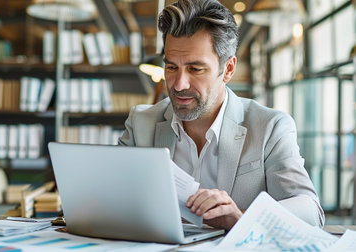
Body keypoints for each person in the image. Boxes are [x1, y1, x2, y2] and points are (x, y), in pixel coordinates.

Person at [118, 0, 324, 230]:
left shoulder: (270, 127)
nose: (178, 84)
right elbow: (111, 195)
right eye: (171, 67)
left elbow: (310, 212)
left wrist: (241, 217)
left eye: (195, 69)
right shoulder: (140, 123)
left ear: (228, 70)